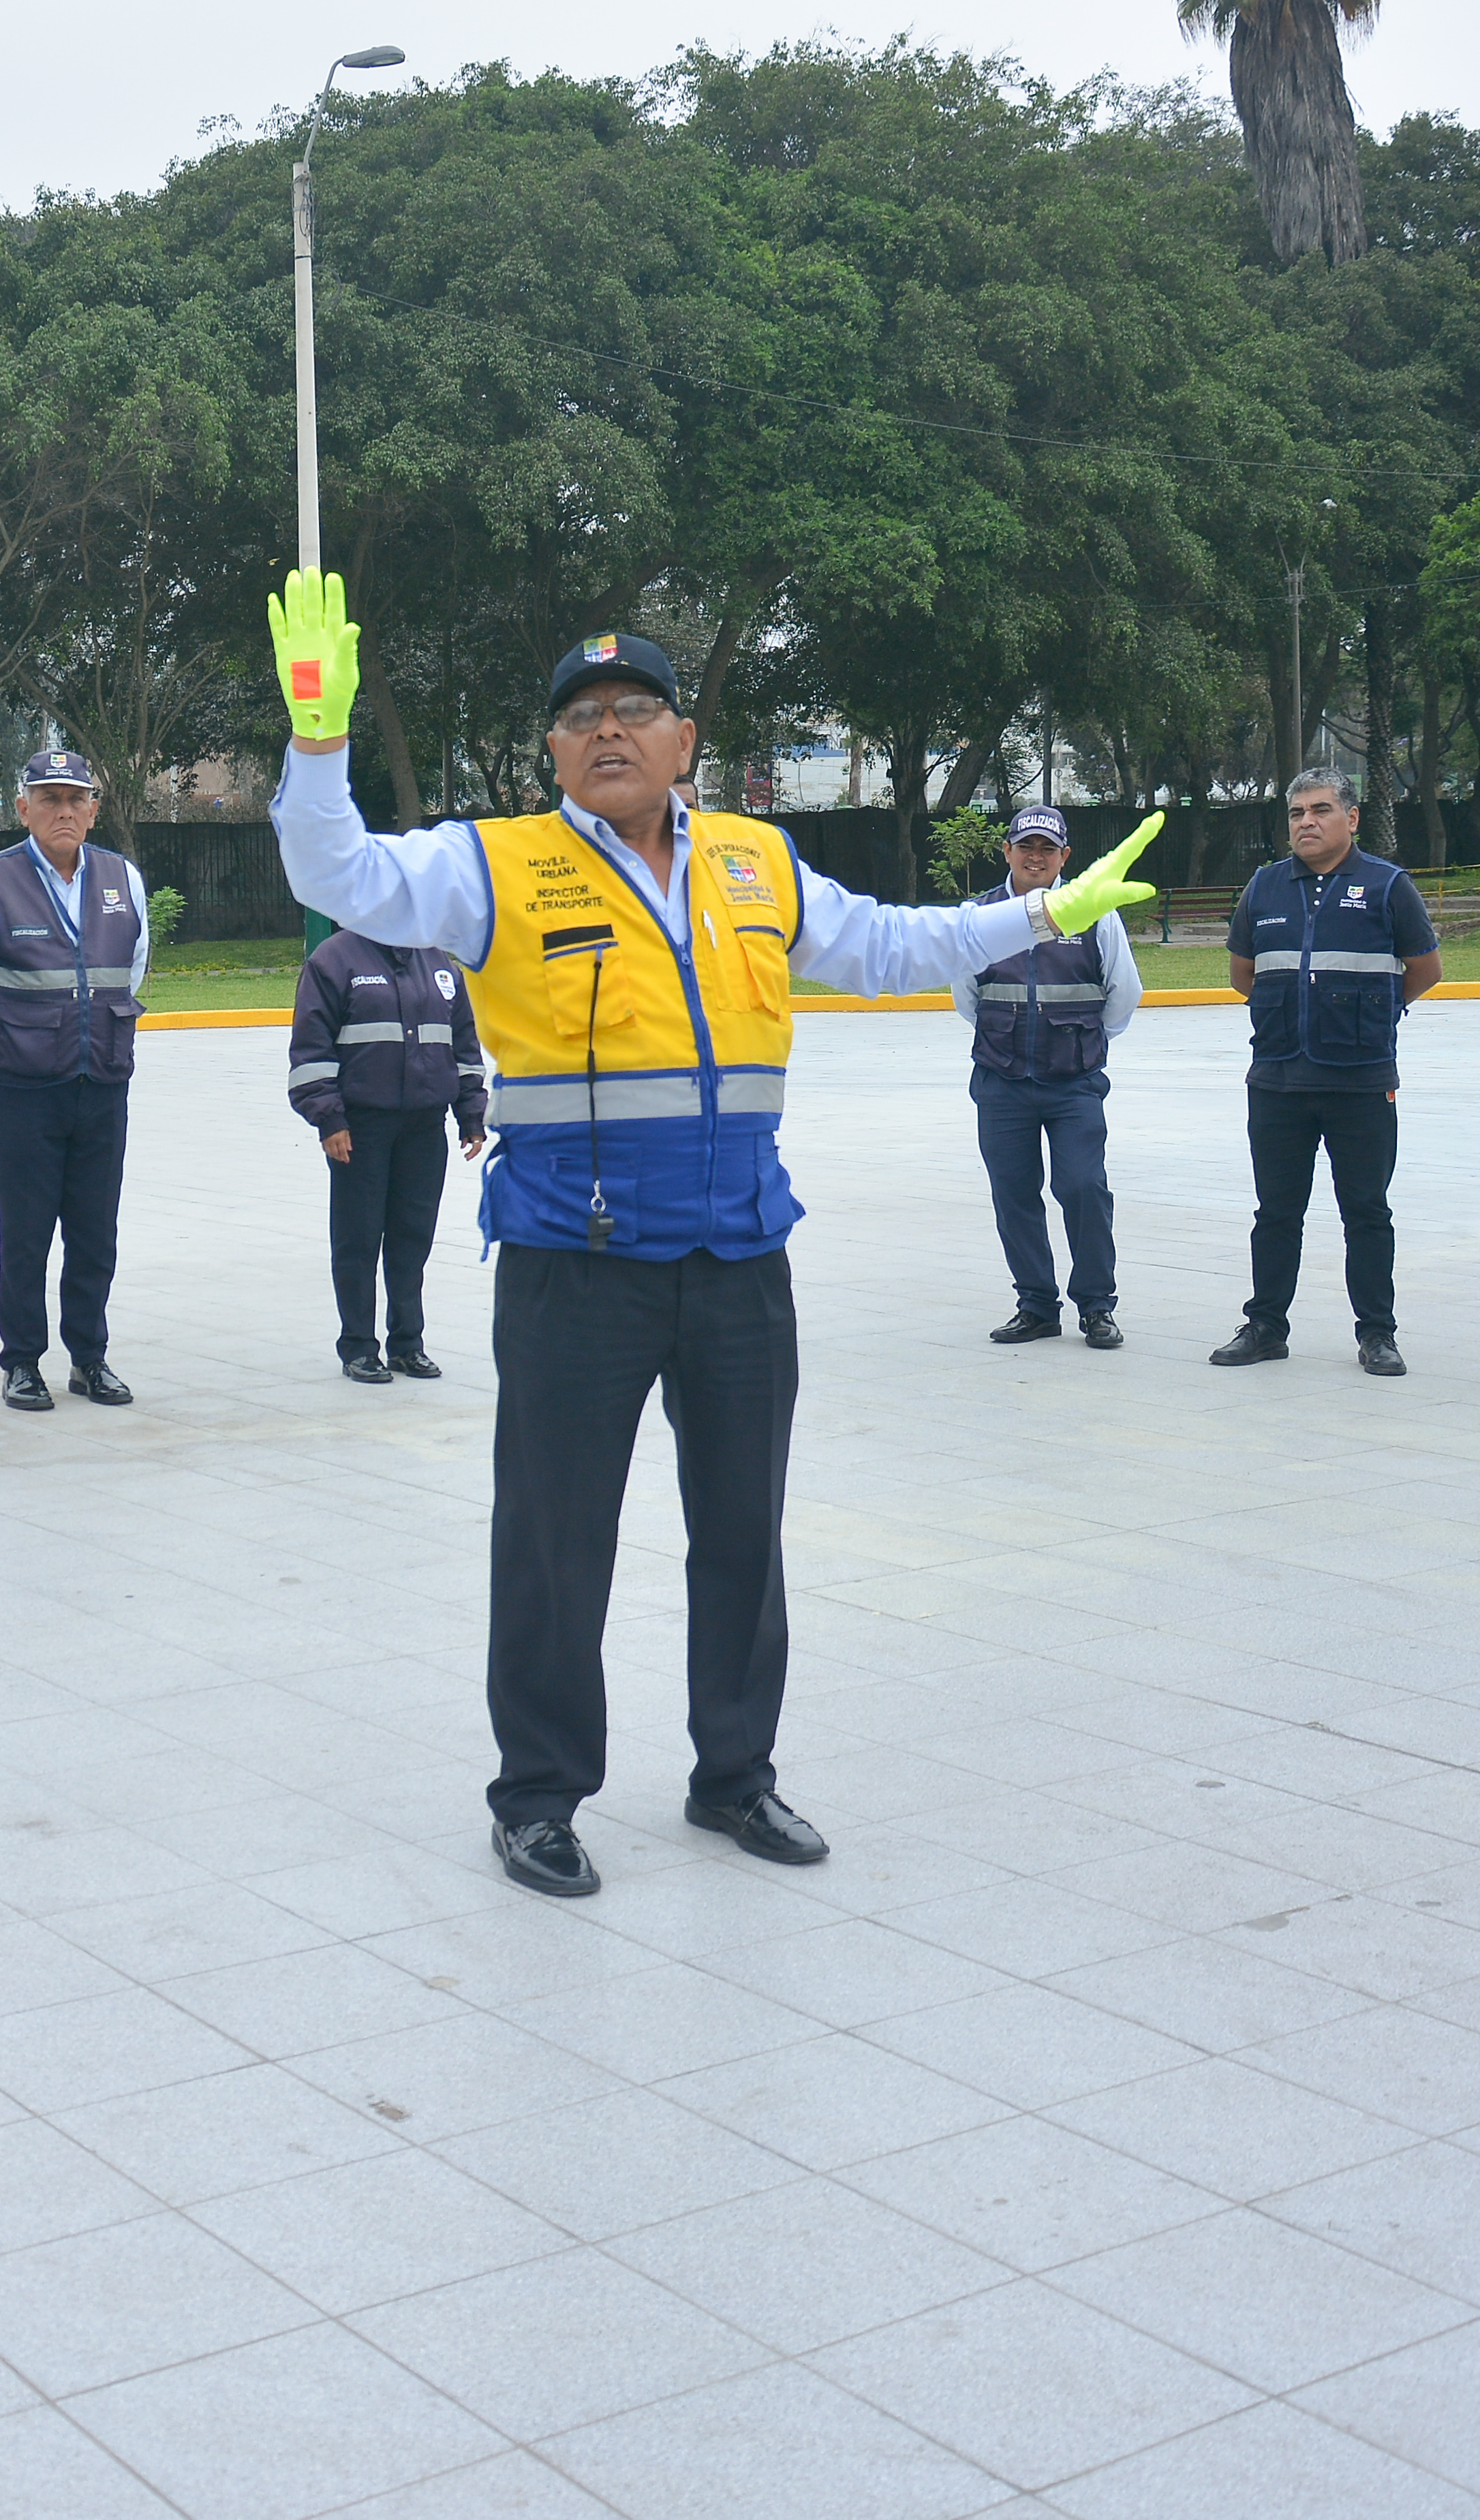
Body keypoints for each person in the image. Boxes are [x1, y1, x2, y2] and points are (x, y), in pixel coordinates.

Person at [263, 578, 1154, 1898]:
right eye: (578, 717)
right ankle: (537, 1795)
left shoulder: (755, 860)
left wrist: (1041, 914)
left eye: (634, 707)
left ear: (683, 738)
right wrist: (318, 744)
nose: (606, 729)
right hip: (574, 1263)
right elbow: (333, 871)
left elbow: (890, 945)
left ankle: (732, 1774)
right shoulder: (488, 865)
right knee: (553, 1539)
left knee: (741, 1530)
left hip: (738, 1253)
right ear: (551, 753)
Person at [1216, 771, 1443, 1375]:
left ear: (1352, 817)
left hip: (1361, 1082)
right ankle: (1265, 1326)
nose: (1306, 822)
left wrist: (1374, 1014)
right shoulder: (1263, 888)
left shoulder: (1387, 886)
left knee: (1365, 1211)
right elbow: (1245, 975)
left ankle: (1376, 1333)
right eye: (1295, 813)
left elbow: (1424, 969)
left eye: (1320, 810)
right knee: (1275, 1212)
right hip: (1278, 1082)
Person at [0, 747, 153, 1411]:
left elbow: (132, 968)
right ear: (23, 810)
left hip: (102, 1083)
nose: (62, 811)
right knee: (27, 1232)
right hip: (24, 1088)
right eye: (49, 800)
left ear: (93, 811)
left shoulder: (123, 878)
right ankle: (22, 1362)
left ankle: (89, 1358)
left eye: (75, 800)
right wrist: (26, 1035)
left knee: (95, 1232)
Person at [953, 804, 1141, 1348]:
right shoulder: (980, 915)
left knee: (1083, 1188)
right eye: (1026, 846)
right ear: (1006, 851)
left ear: (1065, 857)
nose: (1035, 857)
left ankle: (1096, 1306)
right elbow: (967, 996)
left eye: (1047, 849)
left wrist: (1079, 1039)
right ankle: (1035, 1304)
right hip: (1001, 1079)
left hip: (1073, 1081)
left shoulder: (1094, 912)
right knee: (1013, 1194)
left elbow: (1122, 994)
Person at [288, 922, 487, 1380]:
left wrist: (471, 1113)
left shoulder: (439, 963)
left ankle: (407, 1344)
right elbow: (311, 1048)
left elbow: (463, 1045)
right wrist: (328, 1118)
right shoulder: (333, 960)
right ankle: (358, 1346)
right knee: (358, 1240)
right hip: (360, 1127)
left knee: (411, 1238)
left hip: (424, 1125)